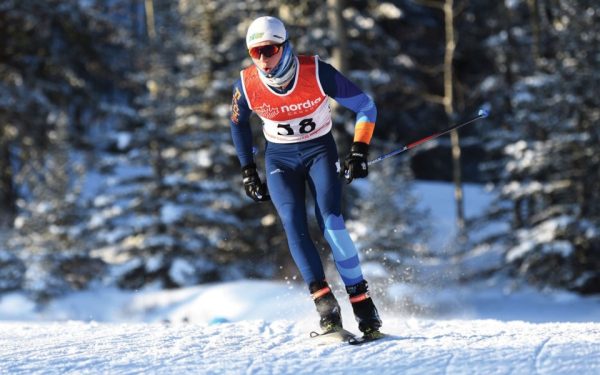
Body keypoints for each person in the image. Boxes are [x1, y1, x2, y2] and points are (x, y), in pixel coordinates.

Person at [229, 16, 382, 339]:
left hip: (319, 154)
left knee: (330, 221)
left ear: (284, 46)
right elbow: (238, 123)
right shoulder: (246, 85)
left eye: (268, 50)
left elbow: (366, 107)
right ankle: (326, 308)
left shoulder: (316, 71)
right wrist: (248, 169)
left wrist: (359, 150)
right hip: (279, 160)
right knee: (293, 224)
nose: (263, 59)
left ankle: (362, 301)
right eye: (254, 53)